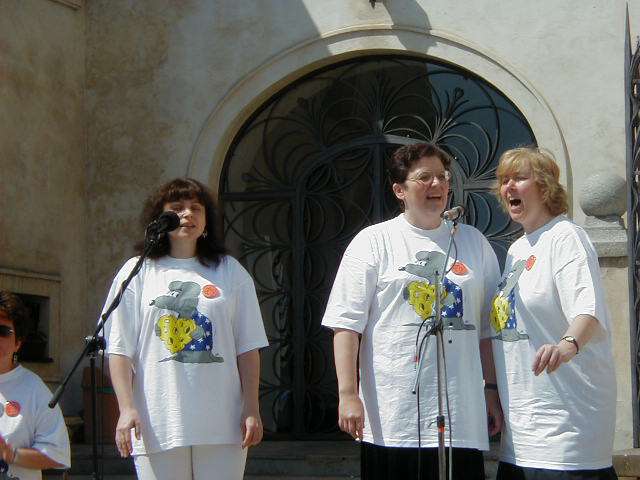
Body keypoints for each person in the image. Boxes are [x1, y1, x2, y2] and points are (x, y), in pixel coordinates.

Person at [322, 143, 502, 479]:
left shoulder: (474, 242)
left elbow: (488, 328)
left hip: (460, 415)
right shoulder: (373, 241)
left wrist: (491, 389)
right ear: (399, 190)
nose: (437, 184)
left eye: (442, 177)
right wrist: (347, 394)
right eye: (424, 177)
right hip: (394, 418)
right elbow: (346, 325)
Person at [102, 178, 268, 480]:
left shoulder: (230, 271)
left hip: (222, 423)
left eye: (196, 208)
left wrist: (252, 407)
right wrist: (126, 409)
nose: (187, 214)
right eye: (177, 208)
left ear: (206, 221)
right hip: (158, 422)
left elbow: (248, 347)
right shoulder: (138, 271)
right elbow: (119, 348)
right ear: (160, 218)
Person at [491, 147, 617, 479]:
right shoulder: (517, 249)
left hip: (566, 432)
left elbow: (587, 311)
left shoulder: (566, 237)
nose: (508, 186)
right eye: (504, 180)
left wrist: (566, 346)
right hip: (521, 434)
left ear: (545, 187)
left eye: (519, 178)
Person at [0, 291, 70, 480]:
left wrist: (10, 454)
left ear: (18, 343)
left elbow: (56, 453)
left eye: (3, 332)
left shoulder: (34, 390)